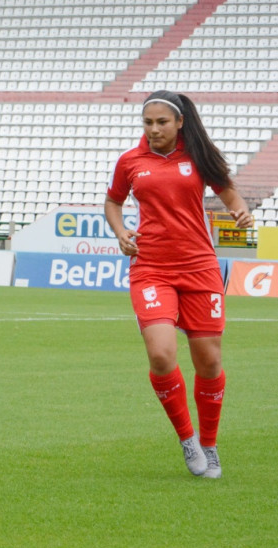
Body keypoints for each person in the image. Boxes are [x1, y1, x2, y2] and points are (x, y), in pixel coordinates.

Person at [104, 90, 253, 479]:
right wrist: (120, 232)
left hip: (199, 268)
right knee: (161, 355)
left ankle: (209, 444)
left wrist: (240, 210)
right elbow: (113, 202)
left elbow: (229, 192)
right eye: (147, 123)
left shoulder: (198, 156)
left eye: (161, 122)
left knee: (209, 361)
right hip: (151, 267)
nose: (153, 129)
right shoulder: (130, 161)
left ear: (180, 122)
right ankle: (188, 440)